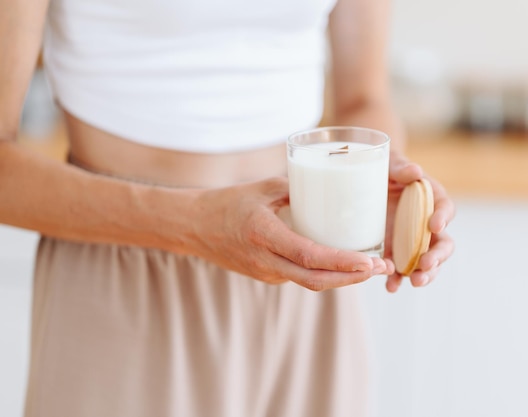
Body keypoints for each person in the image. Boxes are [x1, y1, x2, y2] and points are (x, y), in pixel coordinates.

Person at [0, 0, 455, 416]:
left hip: (303, 279)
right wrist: (195, 223)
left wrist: (377, 182)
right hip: (126, 274)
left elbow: (364, 100)